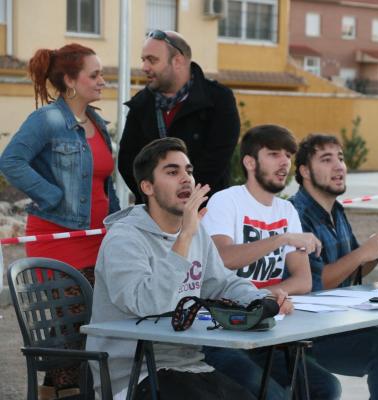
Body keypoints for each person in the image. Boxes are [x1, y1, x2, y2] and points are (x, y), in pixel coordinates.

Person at [86, 137, 292, 399]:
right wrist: (184, 239)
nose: (186, 179)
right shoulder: (124, 239)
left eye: (189, 171)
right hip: (134, 373)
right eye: (172, 172)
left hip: (189, 364)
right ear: (147, 186)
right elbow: (148, 304)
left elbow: (221, 283)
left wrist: (261, 299)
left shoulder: (194, 233)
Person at [0, 43, 120, 398]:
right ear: (70, 80)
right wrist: (52, 195)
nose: (103, 81)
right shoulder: (47, 119)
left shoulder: (97, 121)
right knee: (69, 345)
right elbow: (10, 161)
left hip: (97, 241)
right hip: (59, 245)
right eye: (95, 74)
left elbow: (103, 182)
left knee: (81, 343)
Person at [201, 125, 341, 399]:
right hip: (223, 333)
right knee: (275, 395)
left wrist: (263, 297)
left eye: (288, 155)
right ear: (250, 162)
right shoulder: (226, 200)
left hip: (267, 330)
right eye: (274, 154)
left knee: (326, 387)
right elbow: (224, 258)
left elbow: (303, 281)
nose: (284, 162)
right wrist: (279, 240)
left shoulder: (286, 210)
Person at [290, 134, 378, 400]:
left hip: (341, 318)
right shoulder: (295, 214)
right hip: (309, 330)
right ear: (304, 171)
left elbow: (351, 270)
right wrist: (360, 254)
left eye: (341, 159)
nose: (339, 166)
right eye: (327, 159)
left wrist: (377, 254)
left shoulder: (337, 211)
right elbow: (313, 283)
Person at [118, 30, 240, 203]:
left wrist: (183, 200)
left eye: (152, 60)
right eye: (143, 60)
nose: (144, 67)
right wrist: (155, 201)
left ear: (178, 61)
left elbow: (216, 160)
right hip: (154, 215)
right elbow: (128, 163)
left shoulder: (218, 100)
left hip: (205, 214)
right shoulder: (141, 105)